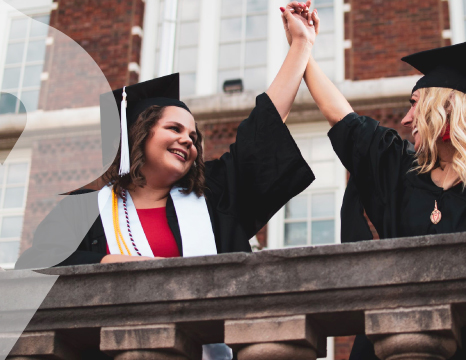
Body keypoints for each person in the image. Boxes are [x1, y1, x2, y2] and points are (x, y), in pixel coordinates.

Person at [282, 3, 466, 359]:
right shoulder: (402, 172)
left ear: (448, 109)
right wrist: (303, 48)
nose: (407, 119)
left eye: (415, 104)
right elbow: (342, 118)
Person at [16, 6, 317, 269]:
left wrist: (301, 45)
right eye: (175, 129)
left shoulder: (214, 195)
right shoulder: (83, 210)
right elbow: (36, 263)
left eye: (194, 136)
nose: (188, 140)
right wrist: (120, 263)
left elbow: (262, 133)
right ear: (139, 135)